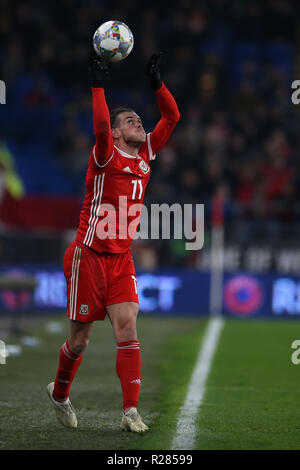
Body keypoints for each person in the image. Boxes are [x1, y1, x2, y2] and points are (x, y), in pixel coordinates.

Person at [47, 50, 180, 432]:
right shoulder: (105, 155)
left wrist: (157, 83)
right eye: (129, 120)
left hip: (120, 259)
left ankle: (130, 412)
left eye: (138, 118)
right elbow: (102, 127)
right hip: (87, 256)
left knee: (127, 328)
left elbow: (172, 117)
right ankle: (59, 393)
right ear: (118, 133)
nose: (138, 121)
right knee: (81, 340)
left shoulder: (145, 156)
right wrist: (98, 85)